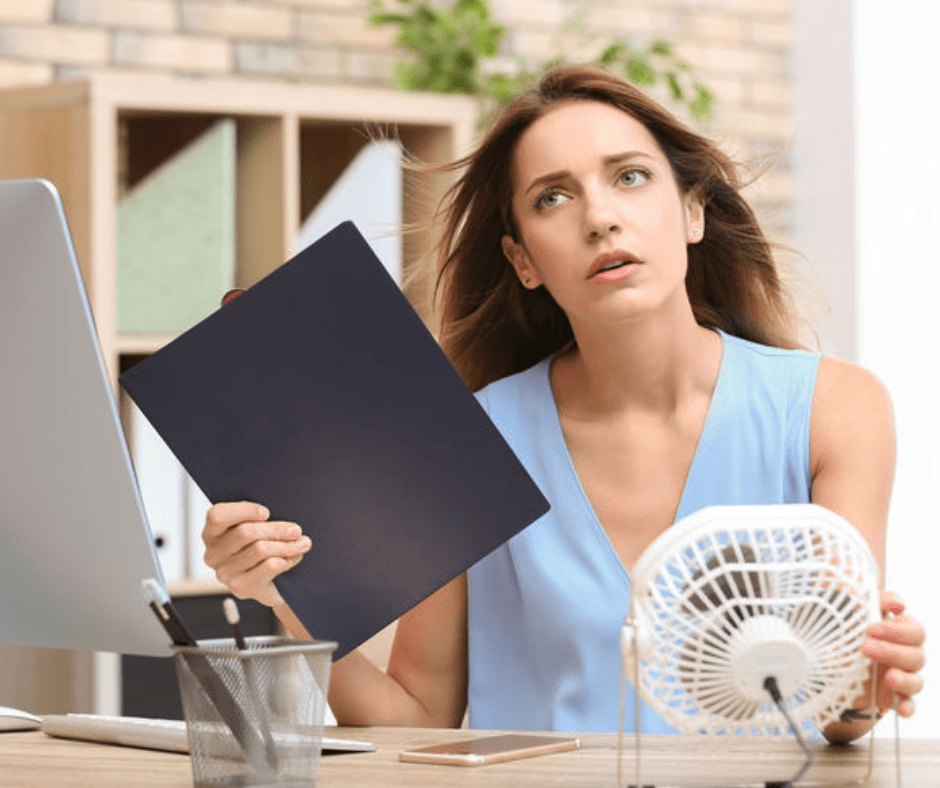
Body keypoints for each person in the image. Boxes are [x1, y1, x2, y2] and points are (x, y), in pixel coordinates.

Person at [202, 64, 925, 743]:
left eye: (631, 178)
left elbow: (839, 702)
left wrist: (865, 688)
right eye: (553, 196)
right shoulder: (472, 439)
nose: (600, 218)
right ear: (524, 261)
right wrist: (286, 602)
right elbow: (414, 721)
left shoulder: (836, 409)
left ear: (693, 212)